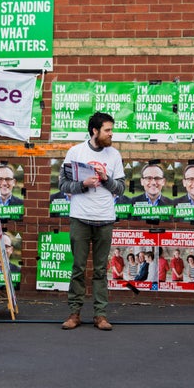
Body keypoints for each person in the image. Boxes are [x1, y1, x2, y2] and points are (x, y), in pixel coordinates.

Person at [59, 112, 125, 331]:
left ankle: (100, 315)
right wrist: (83, 184)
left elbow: (121, 189)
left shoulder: (114, 155)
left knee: (99, 270)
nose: (111, 134)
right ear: (95, 131)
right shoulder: (75, 152)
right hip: (80, 217)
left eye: (111, 130)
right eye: (107, 130)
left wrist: (105, 179)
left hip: (105, 218)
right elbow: (63, 185)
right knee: (78, 267)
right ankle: (74, 313)